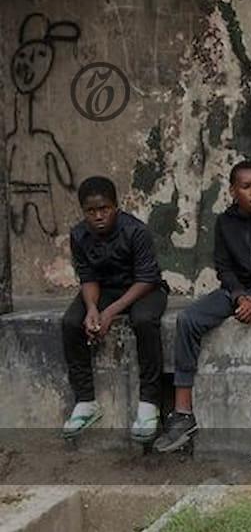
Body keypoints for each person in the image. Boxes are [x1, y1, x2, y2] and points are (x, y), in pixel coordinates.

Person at [154, 161, 251, 453]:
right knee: (188, 319)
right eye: (247, 186)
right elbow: (224, 268)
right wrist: (240, 297)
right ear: (233, 191)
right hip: (237, 291)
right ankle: (183, 414)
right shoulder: (225, 223)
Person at [61, 176, 169, 443]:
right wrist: (92, 309)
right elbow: (88, 278)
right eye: (91, 211)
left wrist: (109, 312)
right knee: (71, 322)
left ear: (116, 207)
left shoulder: (136, 231)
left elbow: (146, 279)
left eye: (104, 209)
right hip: (104, 289)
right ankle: (86, 402)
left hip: (143, 288)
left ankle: (149, 404)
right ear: (83, 211)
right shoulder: (78, 235)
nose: (98, 216)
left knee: (144, 320)